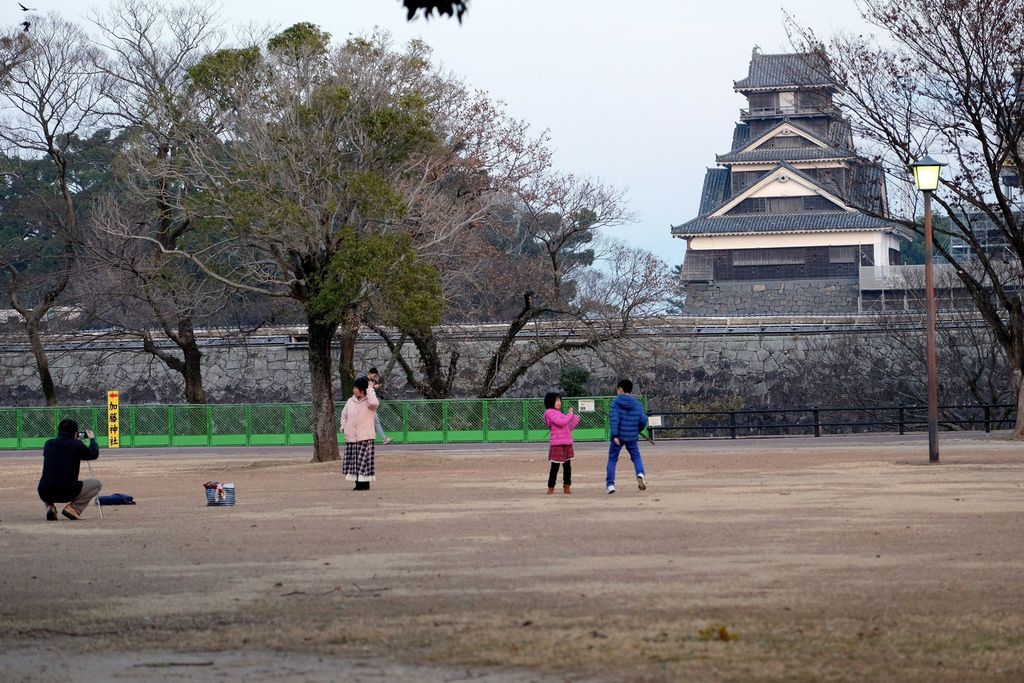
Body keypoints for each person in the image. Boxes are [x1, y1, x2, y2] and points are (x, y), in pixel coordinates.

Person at [38, 419, 101, 520]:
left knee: (49, 479)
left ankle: (50, 507)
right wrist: (92, 440)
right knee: (96, 484)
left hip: (45, 492)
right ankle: (74, 509)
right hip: (67, 491)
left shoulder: (48, 444)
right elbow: (93, 454)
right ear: (75, 433)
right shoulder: (76, 445)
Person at [606, 379, 648, 495]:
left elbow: (614, 419)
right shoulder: (637, 403)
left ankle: (610, 485)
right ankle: (640, 473)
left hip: (618, 437)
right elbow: (643, 419)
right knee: (636, 457)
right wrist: (637, 429)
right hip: (632, 437)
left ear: (620, 389)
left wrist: (614, 435)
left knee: (612, 460)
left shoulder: (615, 402)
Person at [340, 376, 380, 490]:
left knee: (364, 463)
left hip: (365, 437)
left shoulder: (369, 402)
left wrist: (370, 388)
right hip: (352, 437)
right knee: (355, 463)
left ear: (362, 390)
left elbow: (374, 403)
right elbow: (344, 415)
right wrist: (344, 426)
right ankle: (358, 484)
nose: (353, 390)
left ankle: (365, 485)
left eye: (356, 388)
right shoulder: (350, 401)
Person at [543, 391, 580, 494]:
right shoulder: (549, 412)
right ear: (551, 401)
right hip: (557, 443)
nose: (559, 402)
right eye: (557, 400)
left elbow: (567, 427)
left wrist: (575, 418)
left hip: (567, 442)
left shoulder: (559, 413)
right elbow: (561, 422)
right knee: (555, 466)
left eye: (560, 400)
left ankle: (567, 486)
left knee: (567, 466)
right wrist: (570, 414)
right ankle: (551, 487)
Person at [365, 367, 392, 445]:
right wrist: (373, 387)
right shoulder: (365, 380)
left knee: (376, 422)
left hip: (370, 405)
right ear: (370, 373)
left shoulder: (370, 381)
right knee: (372, 422)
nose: (375, 377)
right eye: (374, 375)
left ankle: (384, 438)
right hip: (367, 405)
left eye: (375, 376)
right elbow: (365, 390)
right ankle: (383, 438)